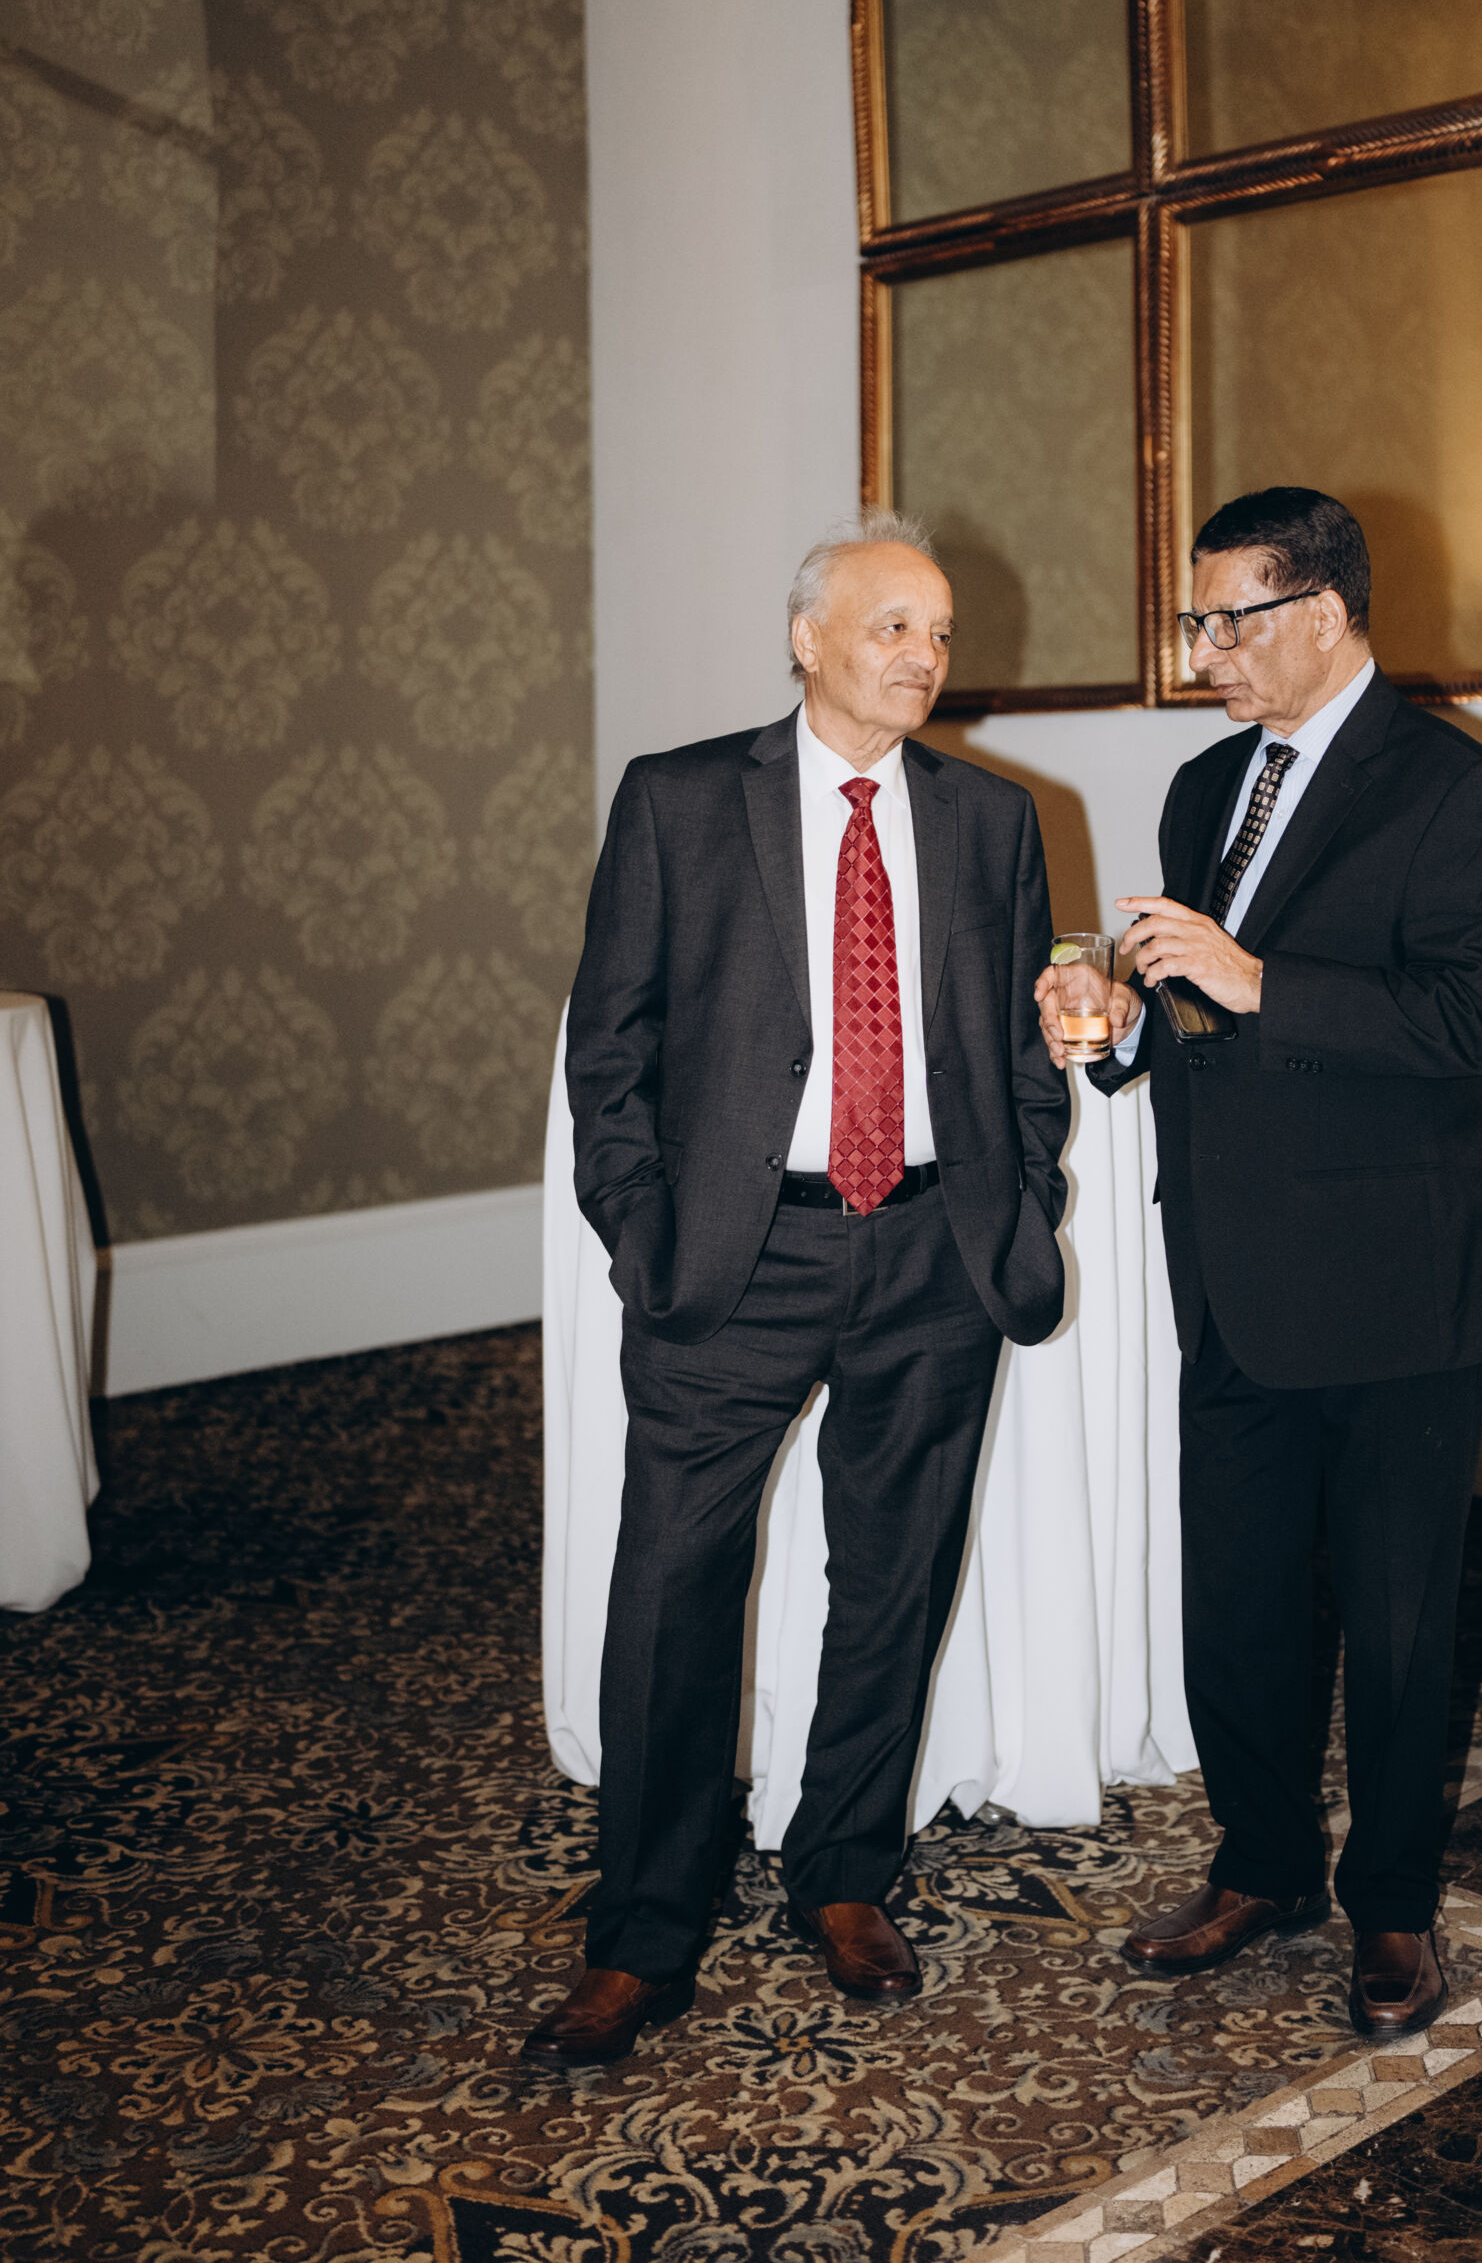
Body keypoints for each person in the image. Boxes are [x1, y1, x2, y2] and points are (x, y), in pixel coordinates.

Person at [525, 510, 1068, 2062]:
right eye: (894, 626)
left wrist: (1020, 1198)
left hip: (934, 1256)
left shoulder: (994, 820)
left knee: (895, 1577)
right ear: (806, 638)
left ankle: (842, 1873)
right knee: (672, 1591)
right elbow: (609, 1051)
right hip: (735, 1260)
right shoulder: (682, 800)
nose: (924, 656)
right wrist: (646, 1230)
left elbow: (1024, 1052)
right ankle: (642, 1933)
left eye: (940, 633)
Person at [1035, 486, 1482, 2041]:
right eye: (1195, 622)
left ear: (1321, 615)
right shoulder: (1204, 788)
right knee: (1239, 1599)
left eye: (1227, 621)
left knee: (1396, 1621)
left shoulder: (1458, 788)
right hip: (1234, 1264)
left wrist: (1259, 979)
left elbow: (1478, 1020)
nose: (1202, 653)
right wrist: (1124, 1029)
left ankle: (1390, 1905)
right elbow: (1203, 1015)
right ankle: (1260, 1865)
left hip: (1397, 1276)